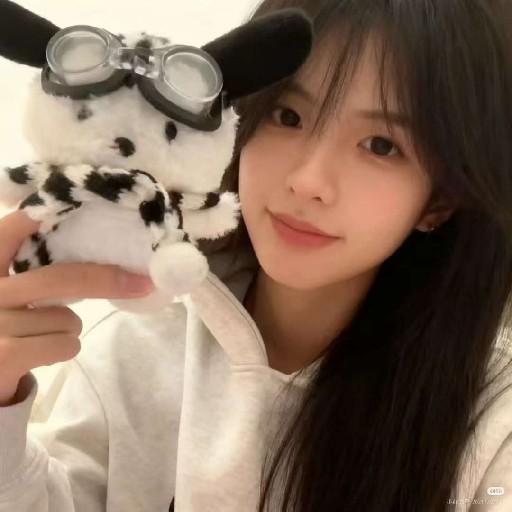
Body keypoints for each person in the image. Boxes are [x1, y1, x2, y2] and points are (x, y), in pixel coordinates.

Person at [1, 0, 512, 510]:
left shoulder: (493, 420)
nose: (308, 181)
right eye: (288, 116)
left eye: (381, 145)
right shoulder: (129, 355)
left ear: (440, 201)